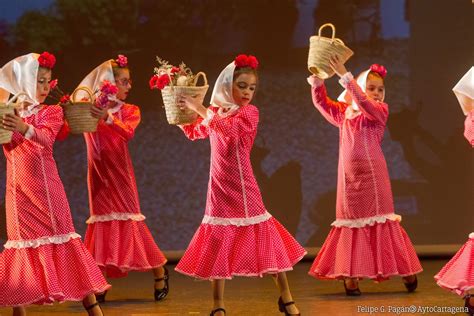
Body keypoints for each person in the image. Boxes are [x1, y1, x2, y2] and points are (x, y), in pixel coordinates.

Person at [175, 54, 306, 316]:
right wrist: (180, 109)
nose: (247, 92)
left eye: (252, 87)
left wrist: (201, 109)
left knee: (264, 237)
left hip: (243, 187)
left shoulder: (249, 113)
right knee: (218, 241)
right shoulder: (216, 113)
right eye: (242, 86)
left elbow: (228, 130)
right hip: (218, 187)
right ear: (227, 86)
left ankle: (286, 296)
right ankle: (218, 304)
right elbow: (195, 131)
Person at [0, 52, 109, 316]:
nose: (45, 88)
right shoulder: (9, 113)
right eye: (39, 81)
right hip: (18, 192)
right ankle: (19, 311)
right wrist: (10, 122)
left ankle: (92, 308)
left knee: (65, 244)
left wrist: (22, 126)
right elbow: (8, 144)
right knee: (21, 247)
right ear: (24, 82)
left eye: (47, 82)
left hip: (48, 191)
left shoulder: (52, 111)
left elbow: (45, 140)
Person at [307, 55, 422, 295]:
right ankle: (351, 277)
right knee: (350, 224)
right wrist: (317, 81)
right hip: (348, 179)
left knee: (382, 222)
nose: (377, 93)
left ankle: (406, 271)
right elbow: (322, 104)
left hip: (373, 176)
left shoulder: (379, 110)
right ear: (361, 87)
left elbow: (366, 104)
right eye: (371, 88)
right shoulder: (345, 114)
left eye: (380, 89)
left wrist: (345, 76)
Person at [77, 55, 168, 302]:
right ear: (108, 83)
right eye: (123, 81)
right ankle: (98, 283)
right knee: (101, 226)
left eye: (129, 82)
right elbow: (73, 121)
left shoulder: (129, 110)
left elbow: (126, 133)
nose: (129, 86)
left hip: (120, 175)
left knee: (131, 224)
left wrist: (108, 116)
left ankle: (159, 270)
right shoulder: (90, 107)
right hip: (97, 176)